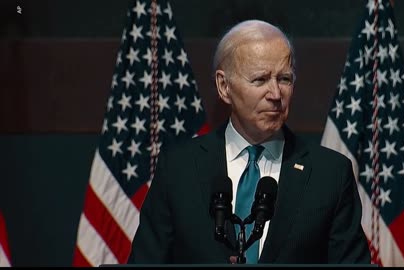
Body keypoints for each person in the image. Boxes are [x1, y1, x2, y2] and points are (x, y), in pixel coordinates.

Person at [128, 19, 370, 264]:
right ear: (224, 86)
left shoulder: (330, 174)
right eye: (260, 80)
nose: (276, 94)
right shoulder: (179, 168)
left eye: (284, 79)